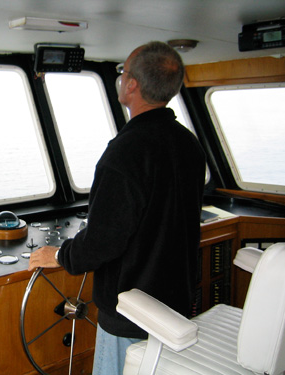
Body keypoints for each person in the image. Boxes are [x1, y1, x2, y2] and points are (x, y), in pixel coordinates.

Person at [28, 41, 206, 374]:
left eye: (122, 72)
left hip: (132, 313)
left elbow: (102, 241)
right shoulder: (188, 143)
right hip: (176, 303)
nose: (121, 79)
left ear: (132, 85)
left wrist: (58, 255)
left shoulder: (125, 152)